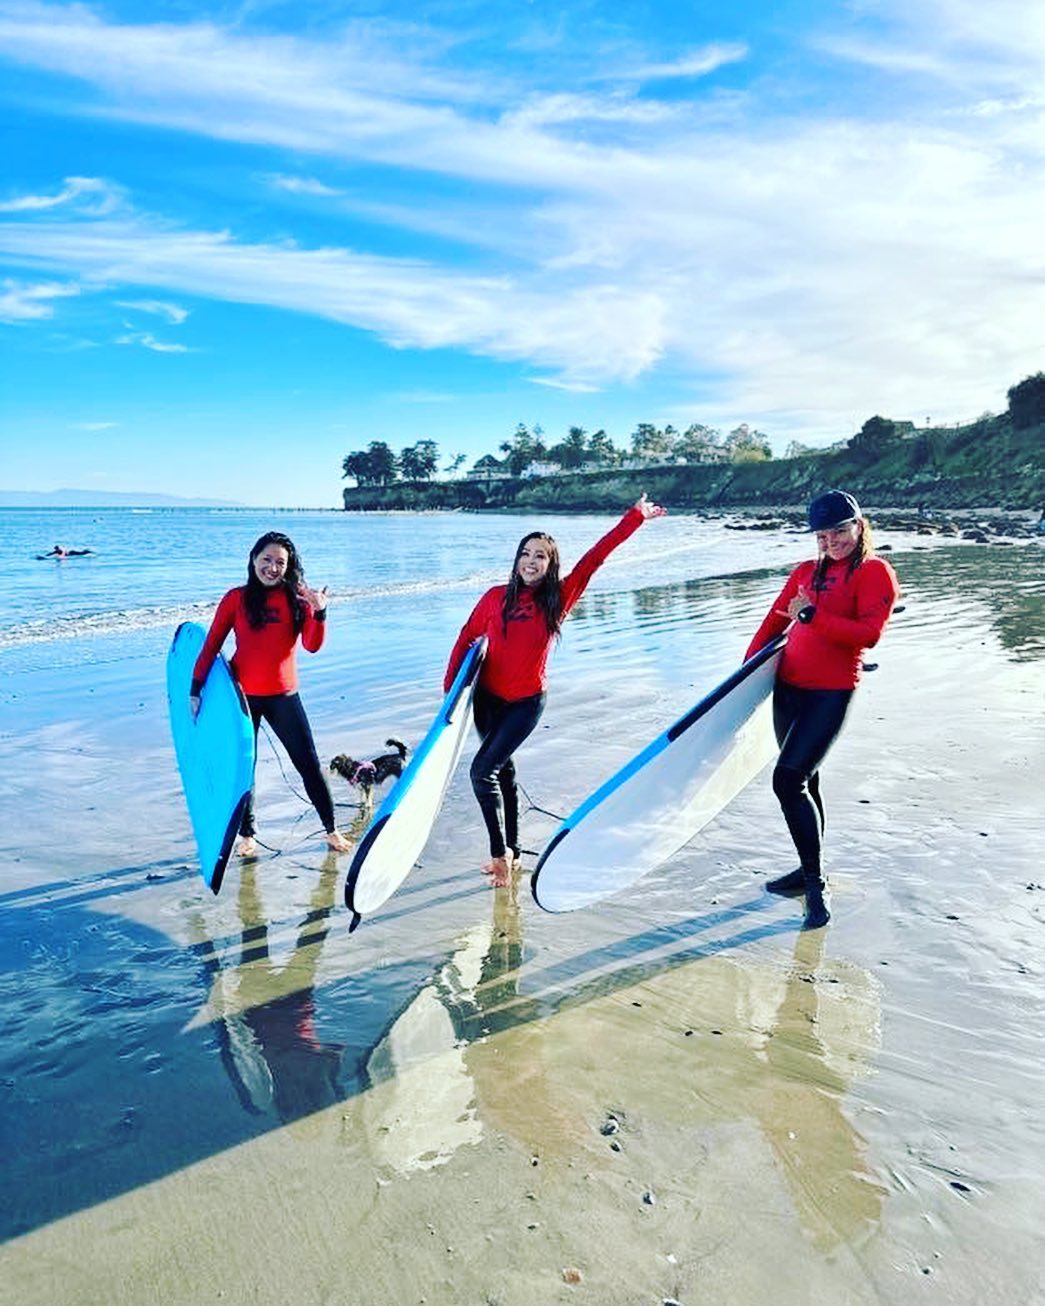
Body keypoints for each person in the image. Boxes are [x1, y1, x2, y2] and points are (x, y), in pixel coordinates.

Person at [444, 493, 666, 885]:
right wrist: (451, 692)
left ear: (550, 564)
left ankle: (498, 856)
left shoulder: (559, 598)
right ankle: (511, 852)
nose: (531, 561)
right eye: (526, 553)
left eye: (540, 556)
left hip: (526, 702)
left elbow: (596, 557)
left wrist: (635, 518)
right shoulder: (494, 597)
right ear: (517, 559)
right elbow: (466, 638)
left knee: (482, 772)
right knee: (502, 773)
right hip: (487, 700)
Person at [745, 490, 899, 930]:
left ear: (858, 526)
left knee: (787, 780)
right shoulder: (805, 572)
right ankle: (805, 870)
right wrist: (741, 678)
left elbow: (867, 635)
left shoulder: (874, 573)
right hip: (788, 688)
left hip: (830, 694)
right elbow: (775, 621)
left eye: (839, 531)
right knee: (806, 781)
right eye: (823, 534)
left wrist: (811, 616)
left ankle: (816, 887)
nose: (831, 541)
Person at [190, 531, 352, 857]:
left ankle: (332, 831)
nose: (272, 567)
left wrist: (319, 612)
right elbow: (212, 645)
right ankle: (247, 835)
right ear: (253, 560)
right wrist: (196, 688)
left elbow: (313, 645)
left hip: (284, 696)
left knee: (308, 764)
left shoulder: (298, 599)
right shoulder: (235, 599)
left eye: (280, 562)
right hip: (241, 697)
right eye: (266, 559)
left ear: (289, 566)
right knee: (243, 768)